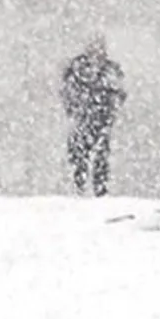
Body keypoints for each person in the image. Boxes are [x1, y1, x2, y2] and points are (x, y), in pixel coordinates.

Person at [60, 34, 127, 197]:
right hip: (85, 118)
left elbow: (120, 93)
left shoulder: (109, 70)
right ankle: (80, 188)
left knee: (99, 156)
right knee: (81, 155)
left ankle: (97, 190)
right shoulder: (78, 68)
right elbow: (68, 92)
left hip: (99, 118)